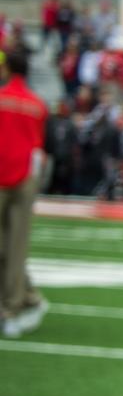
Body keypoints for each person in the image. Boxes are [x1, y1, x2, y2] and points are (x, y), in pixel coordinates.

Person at [0, 51, 50, 338]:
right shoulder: (37, 104)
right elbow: (41, 146)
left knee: (7, 249)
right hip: (25, 178)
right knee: (16, 248)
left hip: (5, 175)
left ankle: (11, 308)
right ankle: (23, 301)